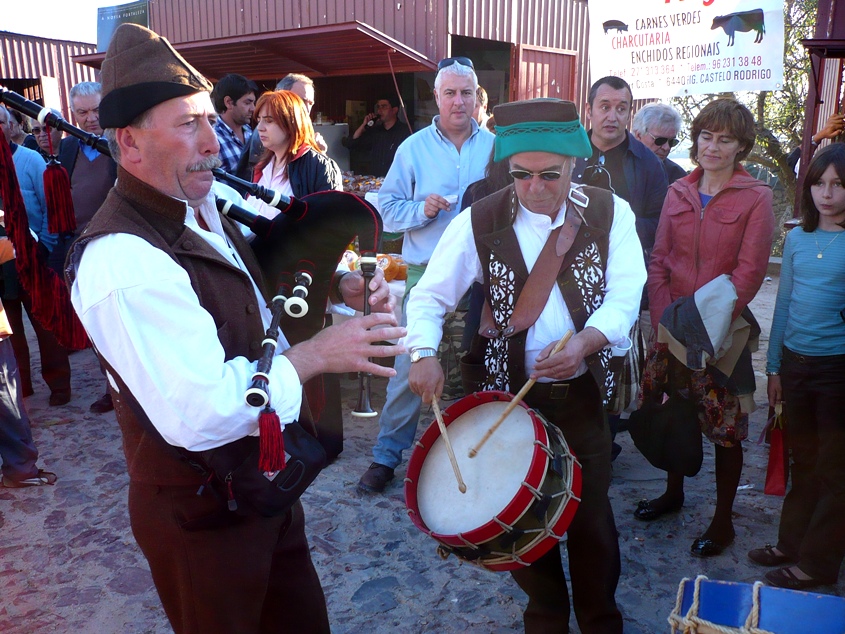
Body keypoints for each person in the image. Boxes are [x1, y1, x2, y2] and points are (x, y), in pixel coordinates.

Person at [66, 23, 403, 633]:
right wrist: (315, 356)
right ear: (129, 142)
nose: (213, 145)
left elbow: (253, 283)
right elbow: (202, 410)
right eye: (187, 125)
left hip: (261, 491)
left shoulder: (200, 203)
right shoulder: (124, 261)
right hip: (200, 519)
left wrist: (339, 286)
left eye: (206, 120)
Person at [407, 97, 645, 633]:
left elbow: (626, 293)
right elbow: (428, 297)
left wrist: (586, 341)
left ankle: (601, 621)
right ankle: (545, 619)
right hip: (505, 399)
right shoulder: (479, 220)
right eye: (521, 175)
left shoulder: (611, 212)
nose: (535, 187)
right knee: (518, 517)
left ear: (574, 165)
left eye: (549, 175)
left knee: (591, 518)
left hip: (581, 394)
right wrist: (422, 353)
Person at [635, 99, 775, 560]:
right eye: (707, 136)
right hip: (672, 326)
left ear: (741, 147)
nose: (713, 147)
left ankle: (722, 520)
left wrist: (705, 325)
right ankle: (673, 492)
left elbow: (749, 273)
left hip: (723, 334)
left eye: (725, 139)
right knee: (675, 411)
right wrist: (664, 322)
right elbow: (658, 263)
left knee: (726, 426)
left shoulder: (756, 196)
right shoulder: (678, 191)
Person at [357, 56, 495, 493]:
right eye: (450, 93)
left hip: (483, 275)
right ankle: (386, 456)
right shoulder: (412, 148)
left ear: (477, 98)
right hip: (424, 270)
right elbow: (387, 210)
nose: (459, 101)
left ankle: (478, 453)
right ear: (436, 97)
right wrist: (422, 209)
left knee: (481, 365)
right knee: (408, 365)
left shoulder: (496, 147)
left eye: (466, 93)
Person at [748, 142, 845, 591]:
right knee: (803, 460)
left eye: (839, 185)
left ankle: (818, 564)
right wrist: (773, 369)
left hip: (837, 371)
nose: (828, 194)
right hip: (795, 365)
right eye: (820, 183)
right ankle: (792, 544)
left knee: (835, 469)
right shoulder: (798, 238)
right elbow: (783, 303)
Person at [54, 81, 119, 413]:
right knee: (96, 322)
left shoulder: (122, 144)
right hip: (79, 249)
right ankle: (112, 388)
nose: (91, 118)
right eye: (82, 112)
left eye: (96, 110)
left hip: (116, 245)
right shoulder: (67, 149)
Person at [0, 105, 70, 406]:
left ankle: (59, 386)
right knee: (9, 330)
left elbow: (51, 208)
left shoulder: (29, 160)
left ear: (11, 126)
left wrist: (43, 247)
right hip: (1, 263)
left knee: (45, 323)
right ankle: (22, 385)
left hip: (33, 256)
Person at [572, 76, 668, 258]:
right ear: (588, 110)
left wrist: (616, 227)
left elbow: (661, 224)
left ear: (630, 113)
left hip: (625, 261)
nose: (612, 117)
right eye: (605, 107)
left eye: (621, 109)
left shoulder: (648, 163)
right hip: (568, 260)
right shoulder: (568, 155)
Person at [250, 90, 342, 217]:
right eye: (259, 120)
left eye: (269, 120)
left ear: (291, 123)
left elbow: (329, 223)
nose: (260, 127)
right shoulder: (261, 166)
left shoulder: (318, 166)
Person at [234, 73, 326, 182]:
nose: (305, 108)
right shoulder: (266, 136)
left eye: (310, 103)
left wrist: (318, 156)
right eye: (298, 100)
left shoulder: (299, 132)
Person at [342, 94, 410, 177]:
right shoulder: (375, 131)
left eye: (384, 107)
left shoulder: (405, 132)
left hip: (397, 180)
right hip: (376, 181)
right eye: (378, 107)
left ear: (394, 110)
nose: (379, 111)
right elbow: (351, 144)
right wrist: (363, 126)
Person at [211, 73, 258, 174]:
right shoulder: (212, 137)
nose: (253, 108)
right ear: (229, 102)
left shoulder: (250, 132)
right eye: (247, 102)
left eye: (253, 103)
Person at [632, 102, 687, 184]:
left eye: (672, 142)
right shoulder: (615, 166)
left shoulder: (677, 177)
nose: (667, 147)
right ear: (638, 135)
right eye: (660, 140)